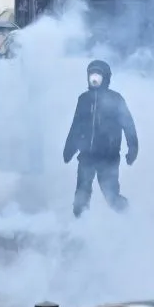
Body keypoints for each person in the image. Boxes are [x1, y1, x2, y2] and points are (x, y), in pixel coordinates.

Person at [63, 60, 139, 217]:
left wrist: (133, 148)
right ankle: (80, 224)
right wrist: (69, 149)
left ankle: (129, 216)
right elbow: (76, 125)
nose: (94, 78)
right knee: (81, 195)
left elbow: (128, 125)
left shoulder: (116, 99)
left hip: (108, 158)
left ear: (106, 78)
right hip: (86, 156)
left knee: (111, 195)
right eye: (92, 74)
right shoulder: (83, 99)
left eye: (98, 75)